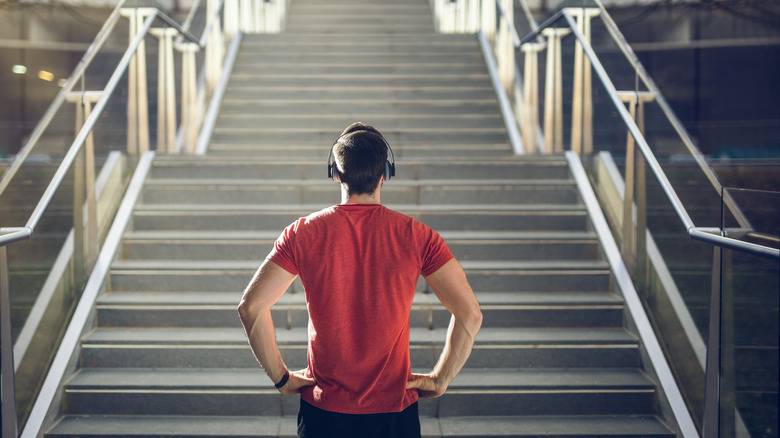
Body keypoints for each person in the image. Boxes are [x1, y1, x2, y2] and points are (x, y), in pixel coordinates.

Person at [238, 122, 483, 438]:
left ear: (336, 174)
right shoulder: (419, 237)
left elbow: (250, 308)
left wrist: (282, 378)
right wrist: (439, 379)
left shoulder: (302, 233)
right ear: (385, 174)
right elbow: (471, 315)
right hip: (394, 414)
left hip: (324, 412)